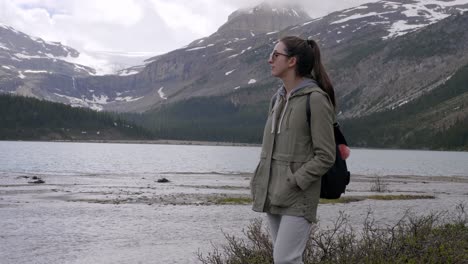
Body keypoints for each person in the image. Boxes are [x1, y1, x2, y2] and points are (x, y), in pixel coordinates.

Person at [250, 36, 336, 264]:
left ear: (292, 61)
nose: (270, 60)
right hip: (272, 191)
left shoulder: (316, 99)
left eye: (275, 55)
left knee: (285, 258)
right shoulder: (277, 99)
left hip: (298, 194)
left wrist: (295, 181)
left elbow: (326, 155)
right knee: (285, 258)